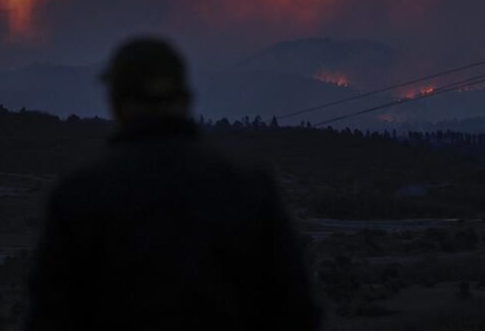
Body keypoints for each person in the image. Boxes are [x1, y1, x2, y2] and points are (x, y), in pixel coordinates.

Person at [26, 37, 320, 330]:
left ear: (116, 102)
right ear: (186, 100)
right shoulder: (249, 189)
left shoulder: (79, 197)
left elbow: (50, 316)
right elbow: (296, 312)